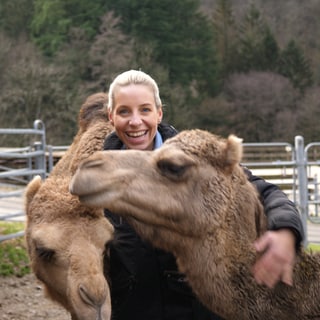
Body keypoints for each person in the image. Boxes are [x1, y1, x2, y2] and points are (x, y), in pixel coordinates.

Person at [103, 70, 304, 320]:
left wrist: (285, 231)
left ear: (159, 113)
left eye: (144, 110)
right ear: (111, 117)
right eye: (124, 111)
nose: (135, 121)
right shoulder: (98, 180)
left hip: (202, 311)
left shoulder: (198, 161)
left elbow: (265, 193)